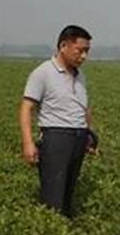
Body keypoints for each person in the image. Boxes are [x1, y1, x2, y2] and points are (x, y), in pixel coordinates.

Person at [18, 25, 96, 217]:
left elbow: (83, 108)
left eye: (87, 51)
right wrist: (28, 143)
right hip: (56, 137)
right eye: (80, 50)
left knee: (69, 189)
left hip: (78, 137)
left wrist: (90, 135)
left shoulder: (80, 76)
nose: (84, 56)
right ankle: (50, 232)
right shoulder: (43, 73)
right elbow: (26, 108)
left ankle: (65, 229)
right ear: (63, 46)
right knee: (53, 194)